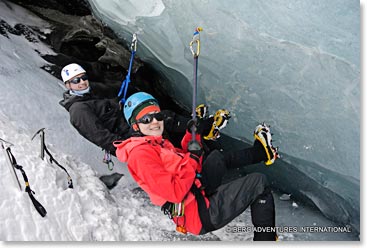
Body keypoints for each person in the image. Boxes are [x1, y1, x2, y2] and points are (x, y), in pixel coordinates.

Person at [113, 92, 280, 241]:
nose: (155, 122)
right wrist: (193, 157)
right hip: (200, 214)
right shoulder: (141, 155)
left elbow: (184, 160)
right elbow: (175, 192)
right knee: (259, 183)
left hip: (197, 196)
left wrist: (192, 134)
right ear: (136, 126)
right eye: (146, 119)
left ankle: (261, 152)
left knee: (215, 159)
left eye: (158, 116)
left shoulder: (156, 144)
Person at [59, 63, 200, 156]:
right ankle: (196, 130)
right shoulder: (78, 110)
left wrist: (120, 100)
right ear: (68, 85)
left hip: (130, 125)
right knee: (161, 120)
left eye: (83, 77)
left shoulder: (89, 93)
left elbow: (107, 105)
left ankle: (196, 130)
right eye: (76, 80)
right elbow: (99, 136)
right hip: (128, 138)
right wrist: (127, 147)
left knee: (160, 118)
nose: (82, 82)